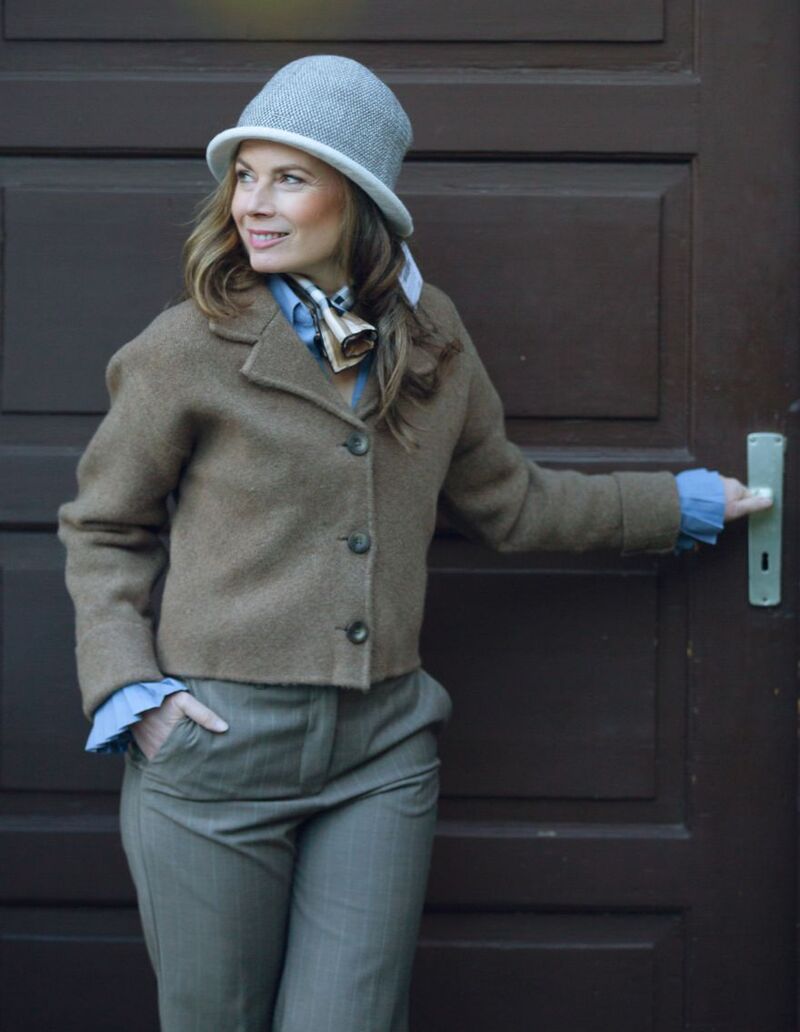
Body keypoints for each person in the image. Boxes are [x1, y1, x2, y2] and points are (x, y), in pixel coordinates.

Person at [56, 55, 769, 1032]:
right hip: (216, 751)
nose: (253, 204)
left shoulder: (430, 336)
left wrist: (676, 506)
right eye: (245, 177)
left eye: (289, 179)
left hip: (382, 750)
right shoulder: (186, 346)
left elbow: (509, 504)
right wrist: (132, 692)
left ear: (357, 200)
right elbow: (105, 524)